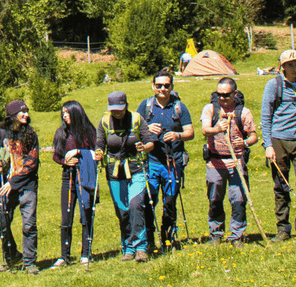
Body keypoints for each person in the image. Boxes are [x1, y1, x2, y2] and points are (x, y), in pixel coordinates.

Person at [94, 90, 155, 262]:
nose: (117, 112)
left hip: (137, 168)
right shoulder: (104, 122)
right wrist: (98, 153)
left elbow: (150, 141)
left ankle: (141, 248)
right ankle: (128, 248)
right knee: (122, 210)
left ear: (126, 105)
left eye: (119, 109)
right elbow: (99, 143)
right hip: (114, 172)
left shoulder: (136, 119)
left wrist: (145, 147)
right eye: (113, 109)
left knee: (136, 205)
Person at [137, 68, 194, 251]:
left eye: (166, 85)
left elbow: (190, 133)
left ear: (171, 86)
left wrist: (177, 136)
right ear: (153, 86)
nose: (162, 88)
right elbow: (134, 132)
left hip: (173, 161)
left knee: (170, 201)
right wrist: (146, 129)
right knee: (149, 201)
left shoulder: (179, 107)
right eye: (159, 85)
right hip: (151, 162)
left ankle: (168, 236)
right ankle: (149, 238)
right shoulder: (145, 106)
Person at [260, 48, 296, 241]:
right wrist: (268, 145)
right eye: (289, 64)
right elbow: (266, 116)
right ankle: (283, 228)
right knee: (281, 186)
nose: (294, 67)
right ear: (282, 67)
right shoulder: (273, 85)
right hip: (278, 140)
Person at [0, 100, 40, 274]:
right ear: (13, 115)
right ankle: (11, 256)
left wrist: (12, 183)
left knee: (28, 225)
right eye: (23, 112)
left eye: (27, 112)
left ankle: (30, 263)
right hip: (4, 186)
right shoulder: (1, 133)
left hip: (27, 186)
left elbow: (32, 163)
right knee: (2, 223)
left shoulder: (31, 135)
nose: (27, 115)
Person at [201, 77, 258, 246]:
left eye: (226, 95)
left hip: (236, 162)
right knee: (214, 198)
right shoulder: (210, 109)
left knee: (238, 199)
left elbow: (253, 135)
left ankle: (237, 235)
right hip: (215, 163)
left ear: (235, 93)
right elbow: (205, 130)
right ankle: (216, 233)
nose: (222, 98)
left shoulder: (244, 112)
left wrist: (245, 142)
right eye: (219, 94)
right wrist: (217, 129)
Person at [51, 100, 98, 267]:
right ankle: (64, 256)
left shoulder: (89, 132)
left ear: (76, 113)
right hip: (68, 177)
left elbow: (97, 153)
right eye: (62, 113)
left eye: (67, 112)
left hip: (85, 175)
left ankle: (86, 253)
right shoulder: (61, 132)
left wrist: (80, 153)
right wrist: (65, 161)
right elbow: (56, 155)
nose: (64, 116)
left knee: (86, 213)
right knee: (66, 215)